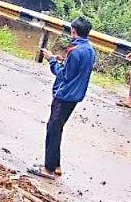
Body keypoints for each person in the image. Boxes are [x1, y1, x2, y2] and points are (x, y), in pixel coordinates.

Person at [28, 17, 97, 180]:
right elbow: (76, 71)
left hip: (65, 95)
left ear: (73, 31)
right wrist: (62, 61)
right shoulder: (90, 50)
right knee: (57, 128)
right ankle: (56, 165)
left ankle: (48, 169)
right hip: (75, 96)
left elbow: (64, 75)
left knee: (52, 129)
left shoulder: (74, 51)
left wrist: (51, 60)